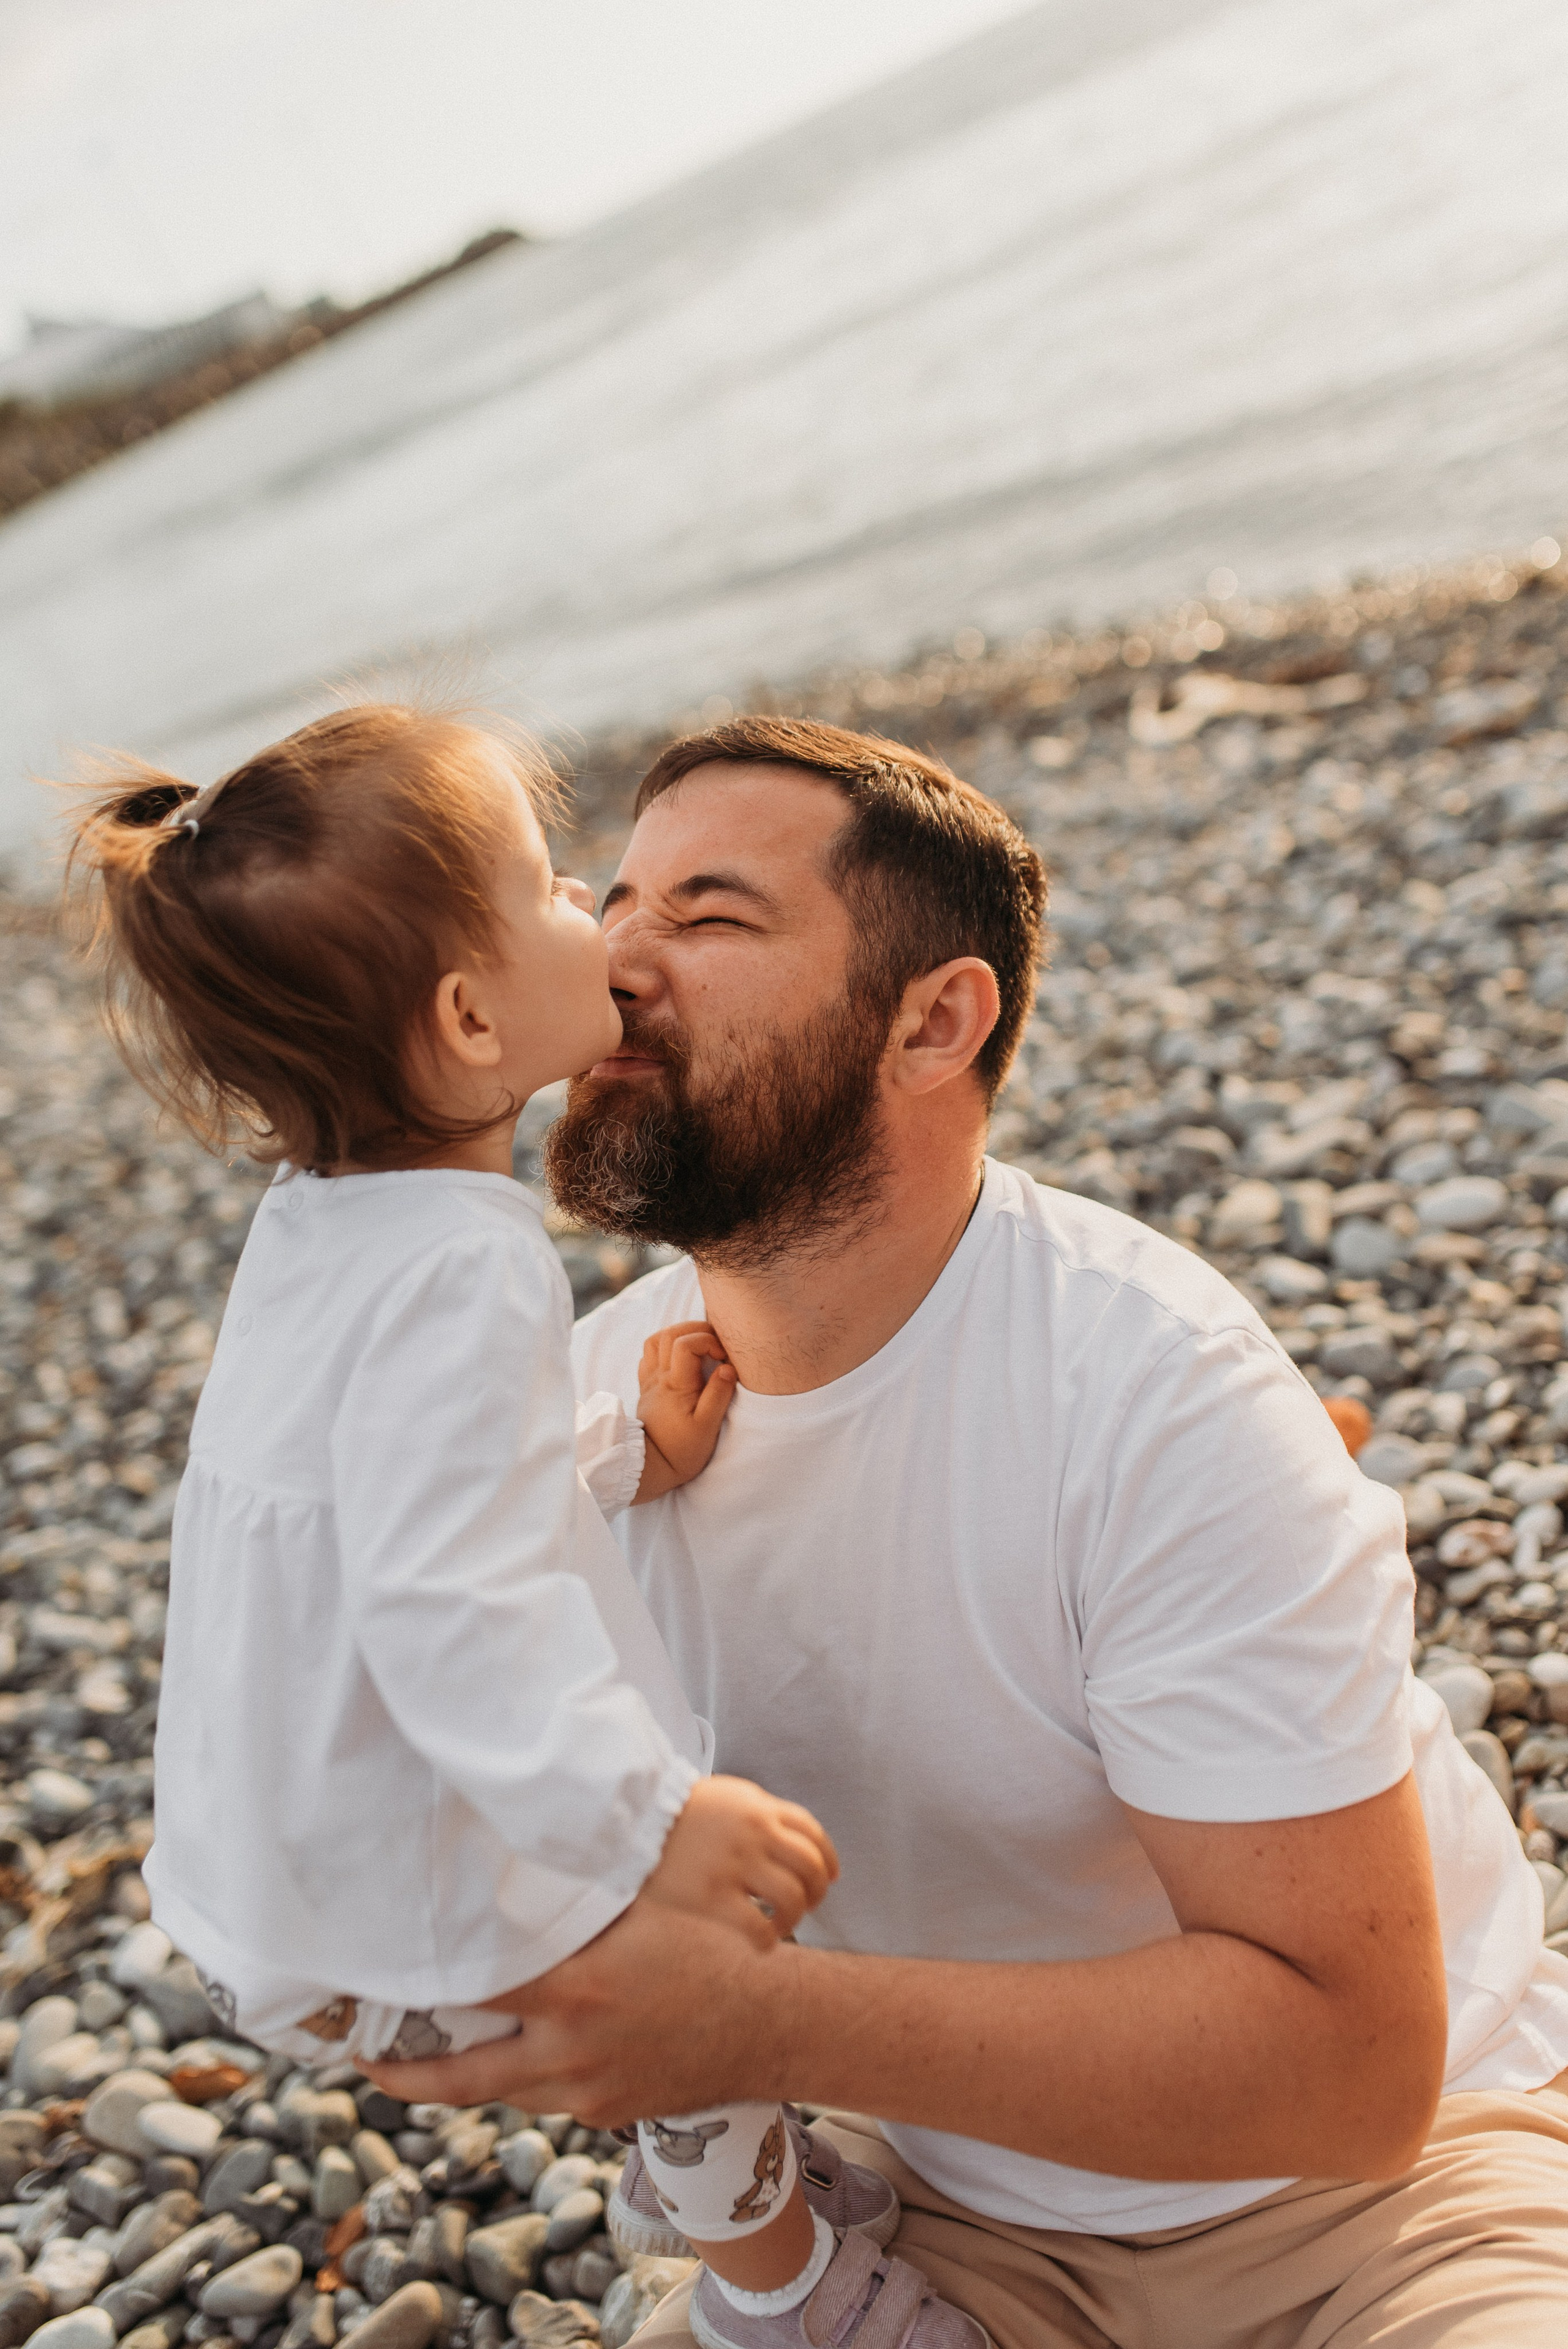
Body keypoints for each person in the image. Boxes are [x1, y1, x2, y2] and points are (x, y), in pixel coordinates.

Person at [371, 717, 1568, 2347]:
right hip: (944, 2222)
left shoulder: (1152, 1390)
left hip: (1390, 2201)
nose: (616, 960)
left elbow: (1350, 2074)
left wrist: (762, 2021)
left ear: (936, 1021)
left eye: (710, 917)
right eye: (613, 902)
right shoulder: (587, 1420)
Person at [66, 704, 990, 2349]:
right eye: (558, 893)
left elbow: (386, 1487)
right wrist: (649, 1820)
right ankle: (782, 2285)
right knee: (702, 1956)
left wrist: (611, 1444)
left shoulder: (326, 1222)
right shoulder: (469, 1260)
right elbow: (446, 1602)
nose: (609, 921)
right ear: (474, 1016)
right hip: (381, 1888)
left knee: (683, 1931)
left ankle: (709, 2163)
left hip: (259, 1870)